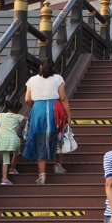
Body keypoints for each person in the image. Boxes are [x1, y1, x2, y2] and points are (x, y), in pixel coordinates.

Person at [23, 56, 72, 185]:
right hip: (55, 109)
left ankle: (42, 175)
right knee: (59, 135)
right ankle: (58, 165)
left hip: (38, 109)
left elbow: (27, 99)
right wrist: (69, 114)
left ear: (40, 67)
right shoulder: (58, 78)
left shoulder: (32, 80)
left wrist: (34, 108)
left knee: (40, 138)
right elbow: (63, 97)